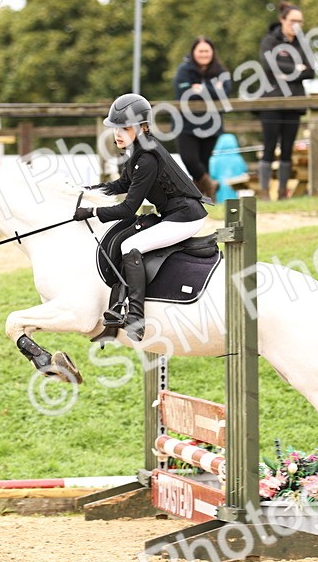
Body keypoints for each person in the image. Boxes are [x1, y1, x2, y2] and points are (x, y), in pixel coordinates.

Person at [76, 94, 208, 341]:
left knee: (130, 245)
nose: (118, 134)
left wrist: (93, 212)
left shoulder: (146, 158)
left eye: (125, 128)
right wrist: (86, 191)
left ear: (143, 127)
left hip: (186, 217)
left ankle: (136, 318)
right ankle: (115, 314)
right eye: (116, 128)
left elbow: (127, 209)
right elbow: (123, 183)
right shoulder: (137, 150)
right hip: (172, 213)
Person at [256, 0, 314, 199]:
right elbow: (268, 64)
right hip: (271, 101)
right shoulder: (270, 40)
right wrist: (297, 69)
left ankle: (282, 192)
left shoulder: (302, 44)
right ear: (282, 20)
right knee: (269, 147)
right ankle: (264, 191)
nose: (296, 25)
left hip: (294, 102)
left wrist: (286, 72)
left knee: (288, 149)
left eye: (300, 21)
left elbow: (311, 71)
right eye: (292, 20)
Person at [173, 36, 232, 200]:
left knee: (204, 162)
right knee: (190, 159)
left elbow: (225, 93)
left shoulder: (221, 71)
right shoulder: (184, 70)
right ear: (193, 52)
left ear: (212, 52)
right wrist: (213, 90)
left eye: (207, 51)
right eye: (200, 51)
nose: (204, 54)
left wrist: (202, 89)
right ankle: (209, 186)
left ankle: (200, 200)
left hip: (211, 124)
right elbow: (184, 94)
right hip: (185, 123)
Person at [208, 133, 250, 203]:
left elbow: (212, 174)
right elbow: (244, 171)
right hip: (236, 188)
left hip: (220, 189)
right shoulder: (239, 159)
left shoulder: (214, 159)